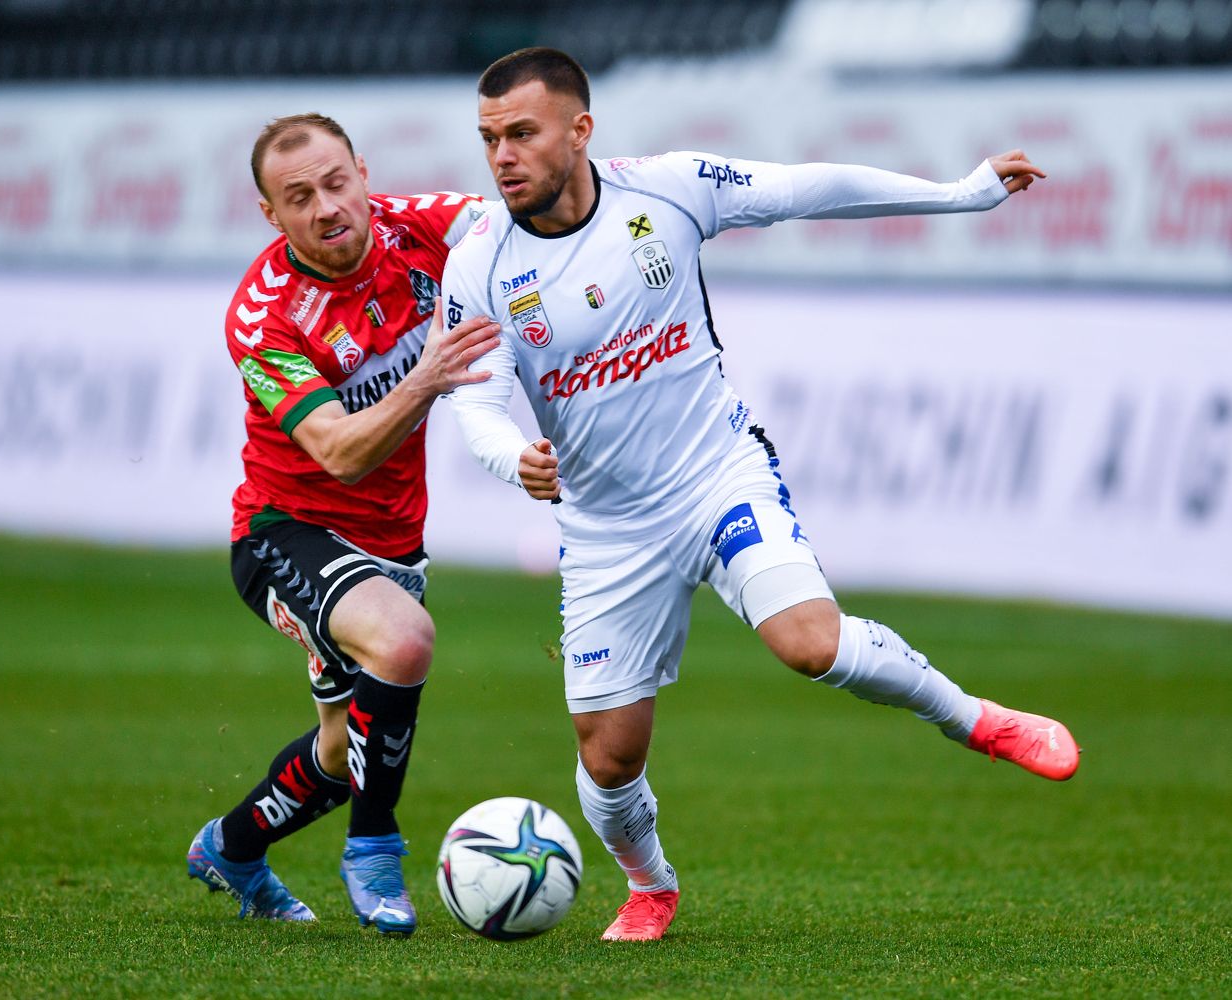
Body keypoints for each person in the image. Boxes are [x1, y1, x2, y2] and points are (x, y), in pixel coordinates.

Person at [439, 48, 1080, 943]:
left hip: (716, 473)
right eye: (488, 139)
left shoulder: (667, 191)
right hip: (605, 526)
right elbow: (475, 404)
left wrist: (960, 192)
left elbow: (807, 188)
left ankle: (978, 720)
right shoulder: (477, 265)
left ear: (580, 131)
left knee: (808, 643)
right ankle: (649, 883)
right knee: (609, 758)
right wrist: (518, 461)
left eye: (521, 133)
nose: (502, 156)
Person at [186, 112, 498, 936]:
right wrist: (428, 378)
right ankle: (374, 849)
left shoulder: (419, 228)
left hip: (392, 543)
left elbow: (516, 224)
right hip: (284, 532)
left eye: (336, 183)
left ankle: (232, 845)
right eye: (299, 197)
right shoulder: (264, 317)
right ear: (271, 214)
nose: (327, 207)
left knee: (337, 752)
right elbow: (341, 452)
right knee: (404, 643)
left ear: (363, 174)